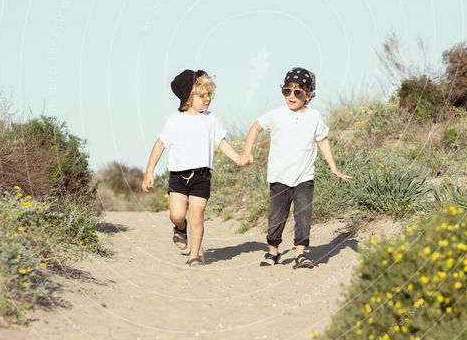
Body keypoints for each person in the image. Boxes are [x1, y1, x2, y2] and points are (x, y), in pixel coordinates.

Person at [239, 67, 351, 269]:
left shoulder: (314, 116)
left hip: (304, 178)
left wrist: (334, 168)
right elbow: (256, 126)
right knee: (276, 217)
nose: (291, 96)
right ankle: (273, 251)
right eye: (287, 91)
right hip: (279, 176)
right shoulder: (277, 114)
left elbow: (323, 141)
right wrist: (247, 151)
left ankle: (301, 253)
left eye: (297, 92)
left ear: (308, 95)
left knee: (303, 215)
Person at [142, 69, 241, 266]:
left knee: (197, 215)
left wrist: (237, 158)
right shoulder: (174, 121)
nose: (207, 99)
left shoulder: (211, 119)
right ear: (188, 97)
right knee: (177, 215)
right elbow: (160, 144)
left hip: (202, 176)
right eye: (202, 95)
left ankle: (194, 255)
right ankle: (180, 228)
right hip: (179, 176)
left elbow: (221, 142)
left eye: (210, 94)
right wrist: (149, 171)